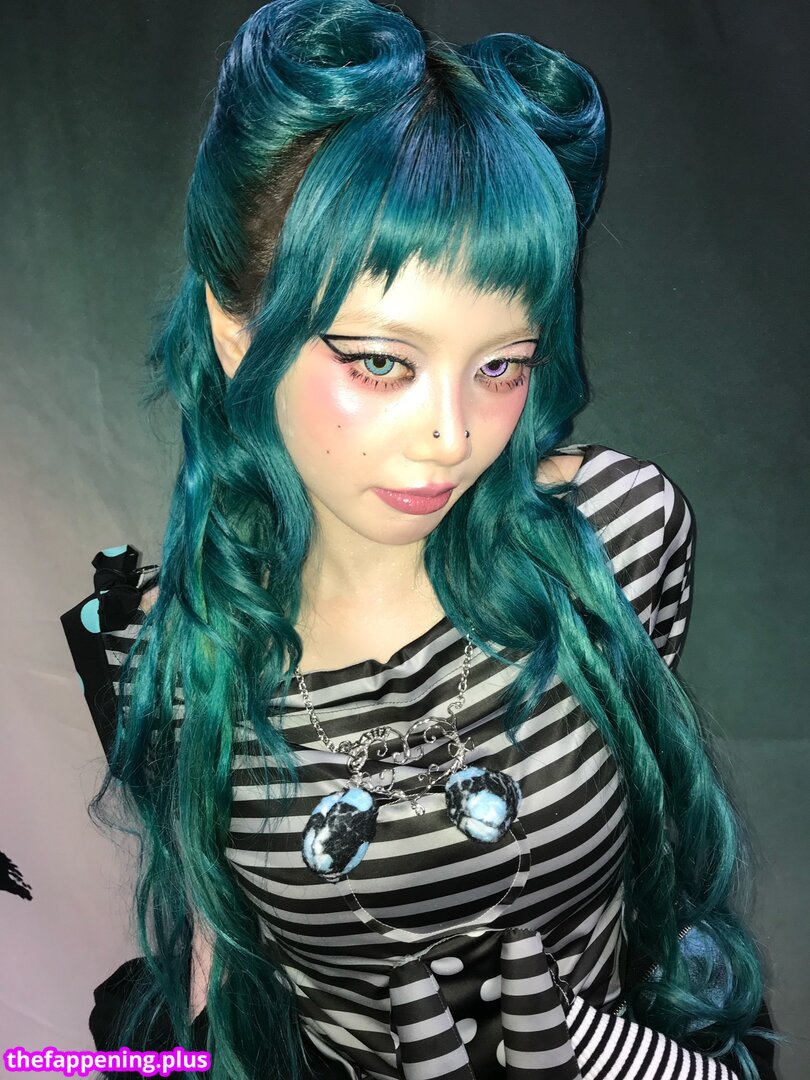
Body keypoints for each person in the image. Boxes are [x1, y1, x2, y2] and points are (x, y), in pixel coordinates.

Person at [60, 1, 784, 1077]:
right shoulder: (165, 658)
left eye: (501, 365)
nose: (452, 436)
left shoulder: (618, 536)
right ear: (236, 330)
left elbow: (647, 874)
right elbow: (219, 966)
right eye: (381, 362)